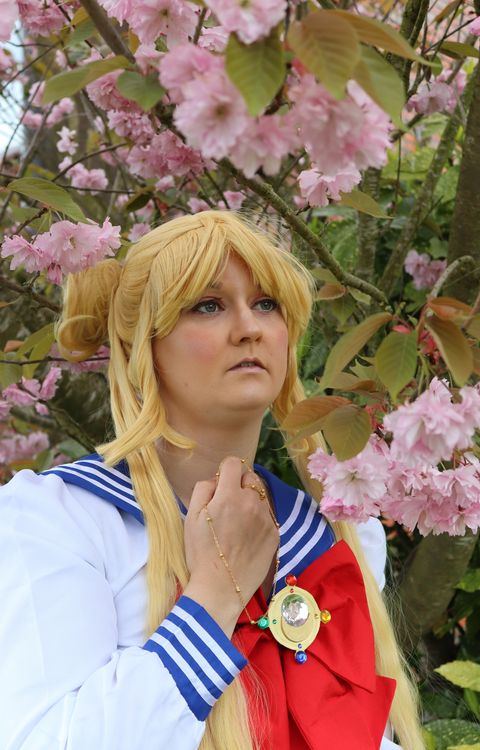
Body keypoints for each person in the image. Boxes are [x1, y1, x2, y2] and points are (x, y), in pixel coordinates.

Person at [0, 211, 424, 749]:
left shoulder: (337, 529)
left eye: (266, 304)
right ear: (144, 346)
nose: (249, 327)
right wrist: (215, 597)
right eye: (208, 305)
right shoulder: (57, 521)